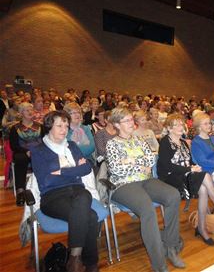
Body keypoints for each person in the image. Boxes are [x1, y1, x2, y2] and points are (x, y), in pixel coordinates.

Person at [106, 108, 185, 272]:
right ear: (116, 125)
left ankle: (170, 247)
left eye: (131, 119)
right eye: (127, 121)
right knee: (147, 209)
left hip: (146, 180)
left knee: (173, 195)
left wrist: (129, 160)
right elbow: (116, 170)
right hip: (123, 185)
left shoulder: (139, 140)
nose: (131, 123)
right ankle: (159, 264)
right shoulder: (112, 144)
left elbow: (150, 160)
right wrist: (138, 164)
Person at [31, 110, 99, 272]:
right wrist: (74, 168)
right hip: (52, 196)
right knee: (91, 216)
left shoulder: (72, 146)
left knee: (84, 195)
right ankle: (90, 264)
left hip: (77, 191)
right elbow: (46, 180)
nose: (64, 129)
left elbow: (86, 168)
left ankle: (74, 259)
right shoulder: (38, 150)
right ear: (49, 127)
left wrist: (61, 171)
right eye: (59, 125)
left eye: (66, 126)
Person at [158, 113, 214, 246]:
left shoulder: (184, 143)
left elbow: (189, 161)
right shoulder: (165, 142)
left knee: (203, 188)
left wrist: (194, 166)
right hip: (171, 177)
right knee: (205, 177)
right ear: (169, 128)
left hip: (185, 174)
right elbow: (166, 166)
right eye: (176, 125)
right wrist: (189, 169)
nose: (180, 126)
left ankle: (202, 228)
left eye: (181, 124)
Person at [10, 102, 42, 206]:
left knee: (46, 156)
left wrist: (37, 151)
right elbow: (14, 146)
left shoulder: (40, 126)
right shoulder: (15, 128)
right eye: (27, 110)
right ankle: (20, 191)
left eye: (31, 110)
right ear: (21, 113)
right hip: (22, 152)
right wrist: (26, 151)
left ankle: (43, 186)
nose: (30, 112)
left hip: (38, 151)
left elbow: (46, 141)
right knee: (20, 158)